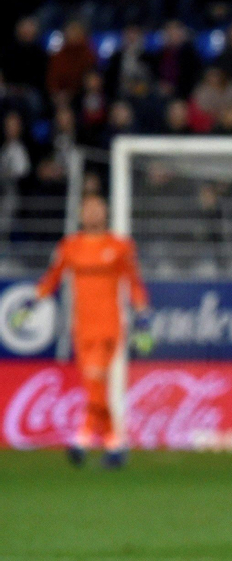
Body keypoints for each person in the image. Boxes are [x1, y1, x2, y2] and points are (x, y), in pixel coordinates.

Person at [33, 194, 149, 468]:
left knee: (96, 377)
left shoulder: (119, 246)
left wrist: (143, 315)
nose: (93, 213)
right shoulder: (70, 246)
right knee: (94, 385)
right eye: (88, 209)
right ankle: (114, 445)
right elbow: (52, 278)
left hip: (109, 325)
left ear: (106, 212)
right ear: (80, 214)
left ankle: (82, 438)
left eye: (98, 208)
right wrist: (31, 303)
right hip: (81, 326)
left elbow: (134, 283)